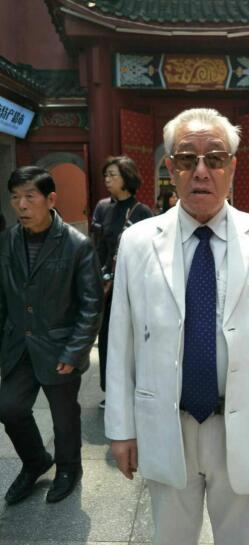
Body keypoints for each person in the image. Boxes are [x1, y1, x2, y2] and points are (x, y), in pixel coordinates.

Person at [104, 108, 249, 545]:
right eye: (187, 159)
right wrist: (120, 429)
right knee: (171, 537)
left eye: (215, 158)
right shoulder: (138, 242)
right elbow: (120, 343)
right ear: (170, 167)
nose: (201, 171)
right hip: (167, 422)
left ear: (232, 167)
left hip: (248, 422)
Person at [0, 166, 104, 505]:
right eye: (15, 197)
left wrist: (74, 352)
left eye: (30, 197)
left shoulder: (76, 245)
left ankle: (69, 469)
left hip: (59, 347)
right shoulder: (7, 241)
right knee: (9, 408)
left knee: (64, 418)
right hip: (18, 346)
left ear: (51, 199)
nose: (21, 205)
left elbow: (91, 305)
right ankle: (35, 461)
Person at [96, 156, 153, 408]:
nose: (107, 180)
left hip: (133, 286)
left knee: (133, 337)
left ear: (126, 178)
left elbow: (149, 253)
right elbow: (101, 247)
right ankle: (111, 390)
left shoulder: (142, 212)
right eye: (105, 175)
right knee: (108, 337)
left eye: (112, 175)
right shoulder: (104, 208)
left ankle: (137, 388)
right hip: (109, 287)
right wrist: (98, 275)